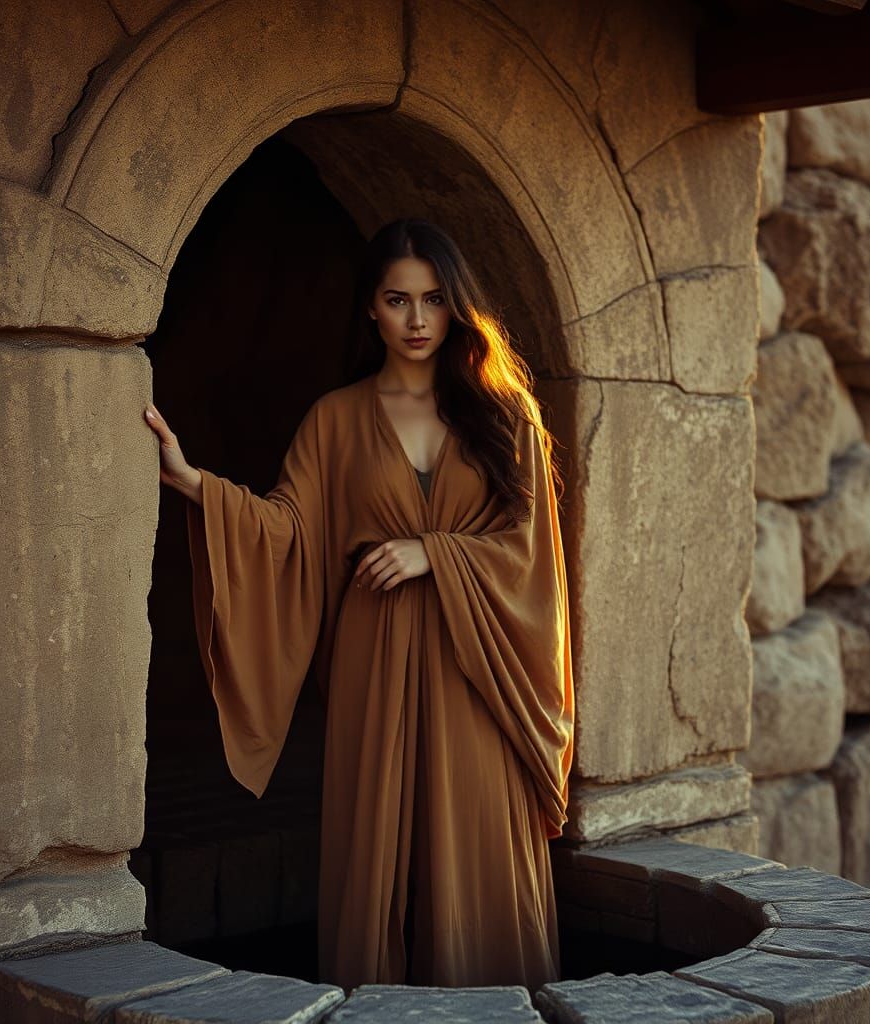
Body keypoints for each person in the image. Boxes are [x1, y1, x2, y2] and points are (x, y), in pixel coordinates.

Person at [143, 218, 575, 993]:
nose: (416, 321)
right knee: (376, 854)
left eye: (434, 300)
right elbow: (288, 531)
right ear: (370, 310)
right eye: (397, 300)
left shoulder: (509, 419)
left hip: (478, 672)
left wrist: (433, 554)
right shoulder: (334, 419)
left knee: (476, 855)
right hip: (373, 666)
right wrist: (193, 483)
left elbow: (534, 558)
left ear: (457, 308)